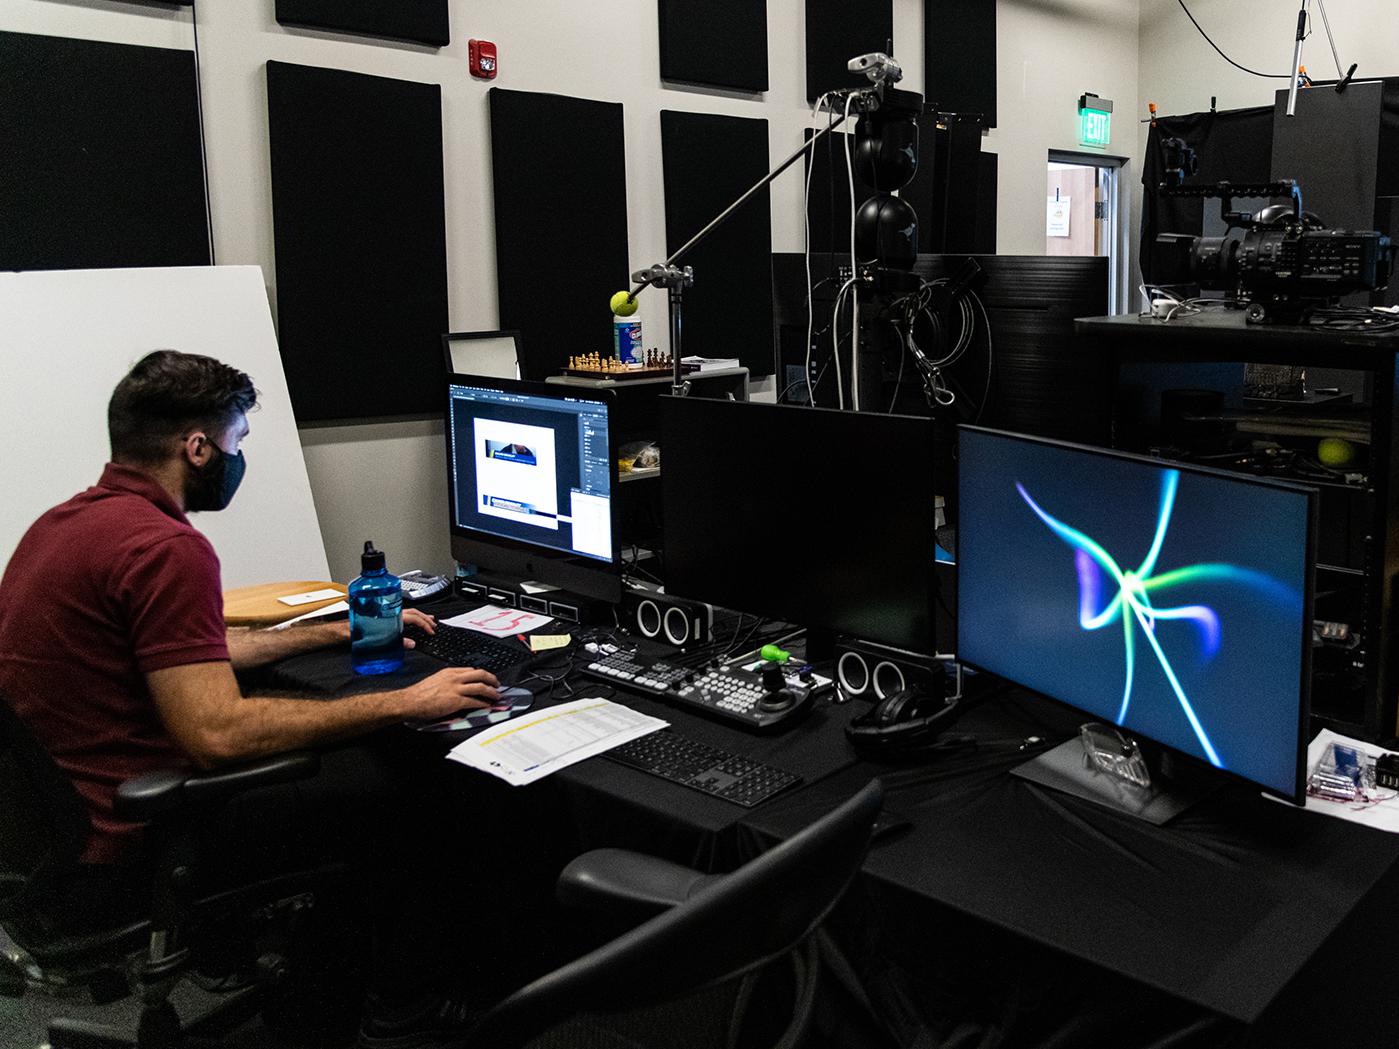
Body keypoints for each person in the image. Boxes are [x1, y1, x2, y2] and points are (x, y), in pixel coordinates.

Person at [0, 350, 497, 1048]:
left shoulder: (70, 525)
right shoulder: (165, 547)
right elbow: (218, 734)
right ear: (197, 446)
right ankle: (395, 1007)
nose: (238, 460)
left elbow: (195, 654)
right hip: (137, 835)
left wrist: (333, 629)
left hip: (64, 832)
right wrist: (405, 701)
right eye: (236, 441)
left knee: (347, 751)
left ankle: (297, 980)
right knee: (403, 782)